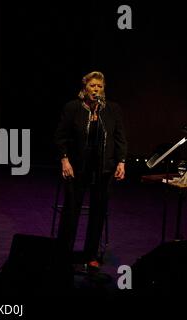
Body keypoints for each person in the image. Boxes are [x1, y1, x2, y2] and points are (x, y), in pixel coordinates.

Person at [53, 71, 127, 270]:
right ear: (84, 88)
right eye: (93, 86)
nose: (97, 89)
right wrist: (64, 160)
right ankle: (63, 252)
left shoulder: (112, 109)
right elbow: (61, 137)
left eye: (100, 86)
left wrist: (121, 161)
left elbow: (119, 137)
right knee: (71, 211)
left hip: (103, 169)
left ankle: (91, 254)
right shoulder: (73, 108)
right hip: (77, 168)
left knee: (98, 212)